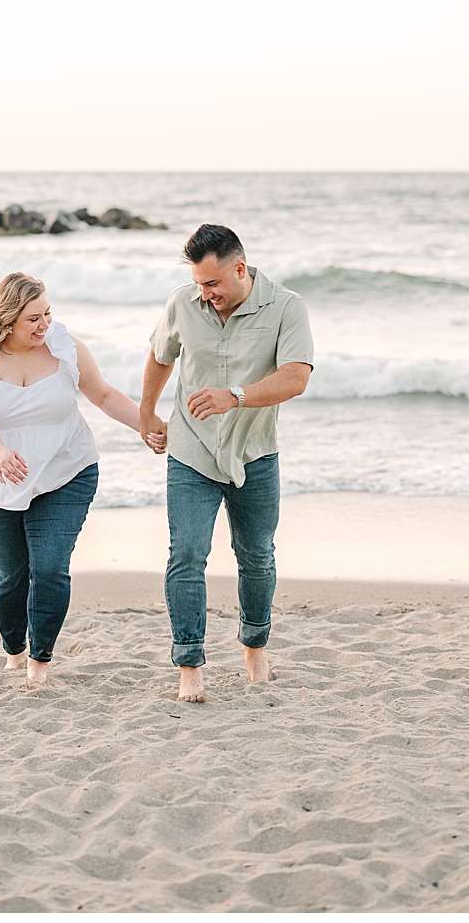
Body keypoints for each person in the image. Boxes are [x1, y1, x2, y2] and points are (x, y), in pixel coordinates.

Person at [0, 272, 149, 689]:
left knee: (49, 568)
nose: (44, 324)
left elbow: (102, 394)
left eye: (48, 313)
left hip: (67, 470)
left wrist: (150, 426)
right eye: (33, 318)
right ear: (8, 319)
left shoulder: (65, 346)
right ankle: (14, 648)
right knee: (10, 575)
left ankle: (39, 660)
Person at [139, 223, 314, 703]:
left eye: (213, 284)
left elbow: (296, 377)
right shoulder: (183, 302)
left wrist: (235, 396)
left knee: (256, 556)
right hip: (191, 452)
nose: (205, 293)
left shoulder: (286, 307)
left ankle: (254, 646)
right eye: (199, 283)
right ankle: (189, 663)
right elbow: (159, 356)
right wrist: (147, 414)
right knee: (187, 555)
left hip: (255, 453)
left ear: (241, 269)